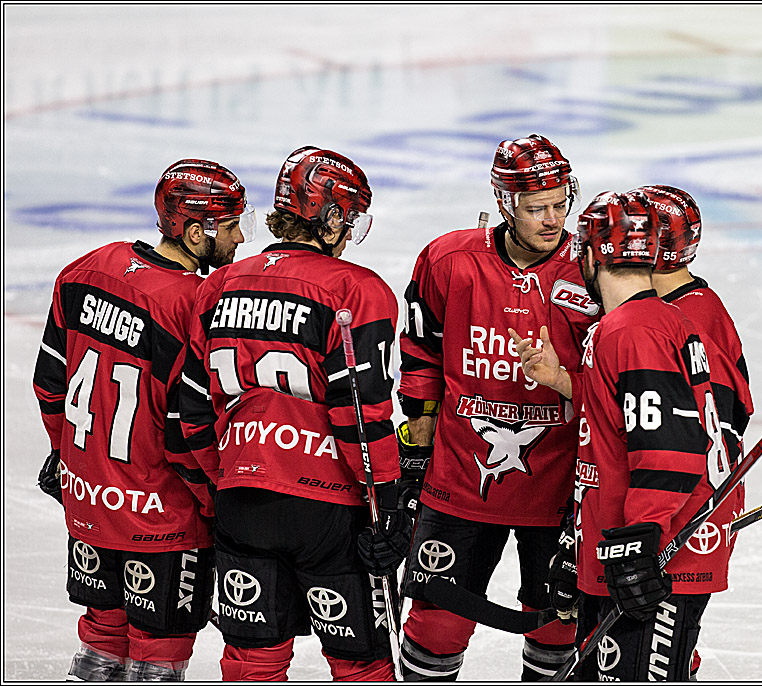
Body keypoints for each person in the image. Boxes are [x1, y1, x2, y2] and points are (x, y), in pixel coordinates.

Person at [178, 146, 410, 681]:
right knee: (363, 665)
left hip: (242, 502)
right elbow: (361, 414)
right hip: (330, 511)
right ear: (330, 218)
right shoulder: (356, 289)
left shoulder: (219, 285)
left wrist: (225, 481)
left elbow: (191, 409)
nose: (349, 234)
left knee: (251, 663)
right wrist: (387, 503)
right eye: (349, 219)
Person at [32, 159, 253, 681]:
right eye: (232, 225)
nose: (242, 238)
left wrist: (70, 460)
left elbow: (49, 383)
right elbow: (186, 430)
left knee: (101, 641)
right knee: (158, 656)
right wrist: (217, 504)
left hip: (89, 502)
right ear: (197, 232)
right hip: (163, 519)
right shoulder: (195, 302)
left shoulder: (87, 269)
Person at [396, 134, 599, 680]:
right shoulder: (449, 259)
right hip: (460, 479)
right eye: (537, 208)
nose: (553, 219)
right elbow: (421, 349)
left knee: (558, 626)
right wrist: (418, 435)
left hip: (561, 485)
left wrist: (564, 380)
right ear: (506, 203)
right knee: (436, 625)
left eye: (560, 204)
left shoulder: (591, 269)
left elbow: (613, 377)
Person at [513, 191, 724, 681]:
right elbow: (623, 418)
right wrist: (561, 379)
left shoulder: (632, 330)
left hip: (650, 555)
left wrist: (638, 541)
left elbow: (670, 448)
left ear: (590, 255)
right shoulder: (649, 321)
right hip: (624, 545)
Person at [632, 184, 754, 678]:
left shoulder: (691, 316)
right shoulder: (655, 308)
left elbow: (709, 430)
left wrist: (656, 520)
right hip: (656, 508)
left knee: (659, 661)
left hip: (682, 515)